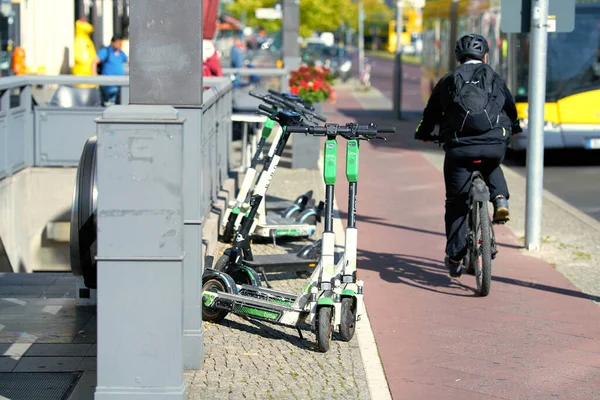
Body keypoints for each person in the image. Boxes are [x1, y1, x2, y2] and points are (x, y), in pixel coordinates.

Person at [414, 33, 521, 278]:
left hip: (459, 148)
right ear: (484, 56)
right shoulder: (493, 77)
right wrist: (514, 128)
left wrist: (423, 133)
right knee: (492, 164)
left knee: (455, 203)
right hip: (493, 144)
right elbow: (510, 106)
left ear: (459, 58)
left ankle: (455, 256)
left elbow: (431, 112)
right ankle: (501, 199)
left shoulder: (449, 80)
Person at [92, 35, 129, 104]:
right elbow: (94, 62)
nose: (119, 44)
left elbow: (129, 61)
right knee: (107, 104)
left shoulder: (120, 52)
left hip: (119, 85)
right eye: (117, 42)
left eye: (119, 43)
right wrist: (94, 75)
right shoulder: (106, 51)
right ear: (112, 42)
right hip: (108, 85)